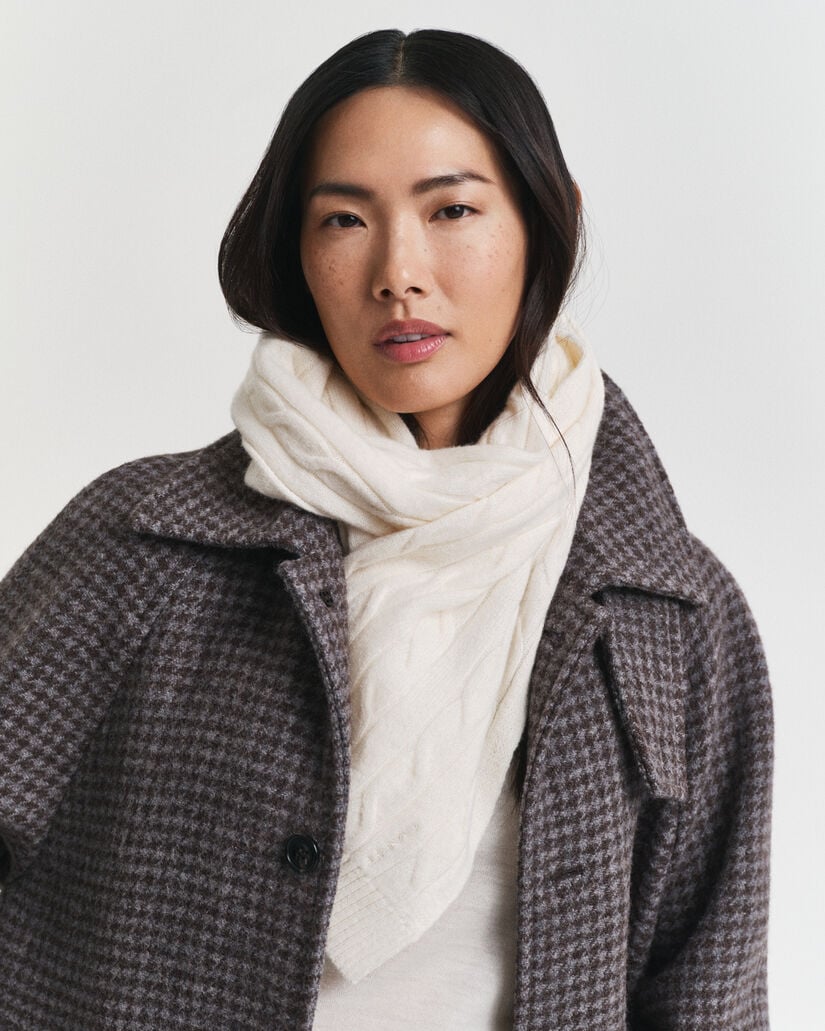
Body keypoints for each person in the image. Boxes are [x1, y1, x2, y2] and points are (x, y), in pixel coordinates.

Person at [0, 28, 771, 1031]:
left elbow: (707, 989)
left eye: (452, 209)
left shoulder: (671, 610)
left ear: (548, 222)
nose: (398, 272)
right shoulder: (142, 541)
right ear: (298, 249)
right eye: (344, 220)